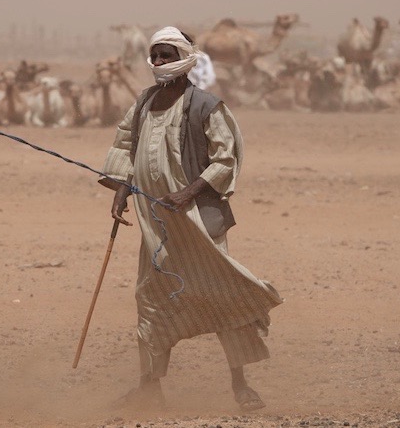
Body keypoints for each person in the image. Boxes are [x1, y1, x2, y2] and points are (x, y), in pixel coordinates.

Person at [99, 26, 283, 411]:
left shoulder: (205, 105)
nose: (161, 62)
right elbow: (125, 143)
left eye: (168, 55)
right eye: (156, 55)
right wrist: (121, 189)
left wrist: (186, 193)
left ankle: (240, 386)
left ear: (184, 58)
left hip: (198, 219)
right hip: (156, 224)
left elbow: (225, 158)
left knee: (221, 294)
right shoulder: (145, 102)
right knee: (150, 299)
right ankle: (149, 386)